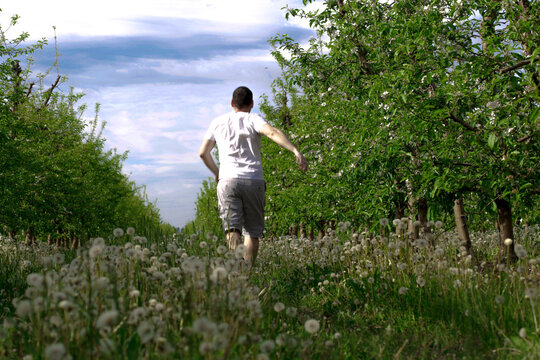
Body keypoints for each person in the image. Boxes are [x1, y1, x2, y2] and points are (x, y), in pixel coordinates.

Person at [199, 86, 308, 265]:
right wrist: (295, 150)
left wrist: (217, 173)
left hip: (227, 181)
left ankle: (235, 270)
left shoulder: (217, 122)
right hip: (253, 180)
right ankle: (248, 271)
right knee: (252, 232)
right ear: (251, 104)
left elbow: (203, 153)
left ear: (232, 103)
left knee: (232, 228)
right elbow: (272, 132)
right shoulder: (253, 119)